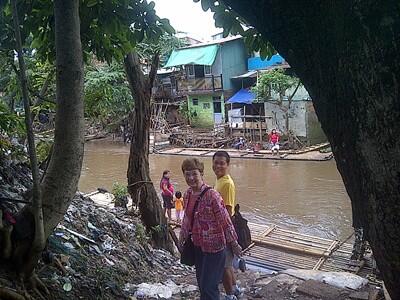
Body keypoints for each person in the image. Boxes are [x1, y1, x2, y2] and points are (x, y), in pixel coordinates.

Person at [179, 158, 241, 300]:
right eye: (187, 174)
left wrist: (234, 243)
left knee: (209, 286)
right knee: (202, 284)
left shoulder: (212, 195)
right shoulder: (187, 194)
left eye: (194, 174)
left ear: (201, 174)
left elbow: (225, 221)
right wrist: (182, 234)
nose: (191, 178)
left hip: (215, 248)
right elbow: (187, 217)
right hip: (198, 245)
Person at [212, 151, 242, 300]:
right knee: (228, 263)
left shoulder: (227, 183)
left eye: (222, 163)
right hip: (222, 229)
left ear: (228, 165)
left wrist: (222, 231)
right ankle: (236, 289)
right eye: (216, 162)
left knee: (223, 265)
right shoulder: (219, 180)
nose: (218, 166)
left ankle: (230, 295)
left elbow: (228, 211)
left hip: (223, 230)